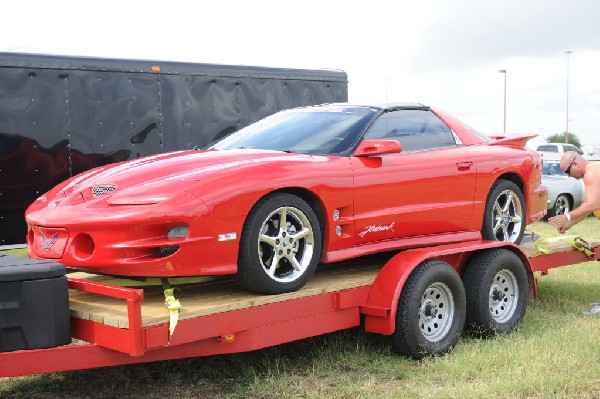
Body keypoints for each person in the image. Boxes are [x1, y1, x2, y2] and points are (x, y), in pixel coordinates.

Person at [548, 151, 600, 233]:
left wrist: (567, 217)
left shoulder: (592, 172)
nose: (569, 175)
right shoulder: (592, 171)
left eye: (568, 171)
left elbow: (594, 204)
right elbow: (588, 205)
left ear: (575, 163)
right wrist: (570, 223)